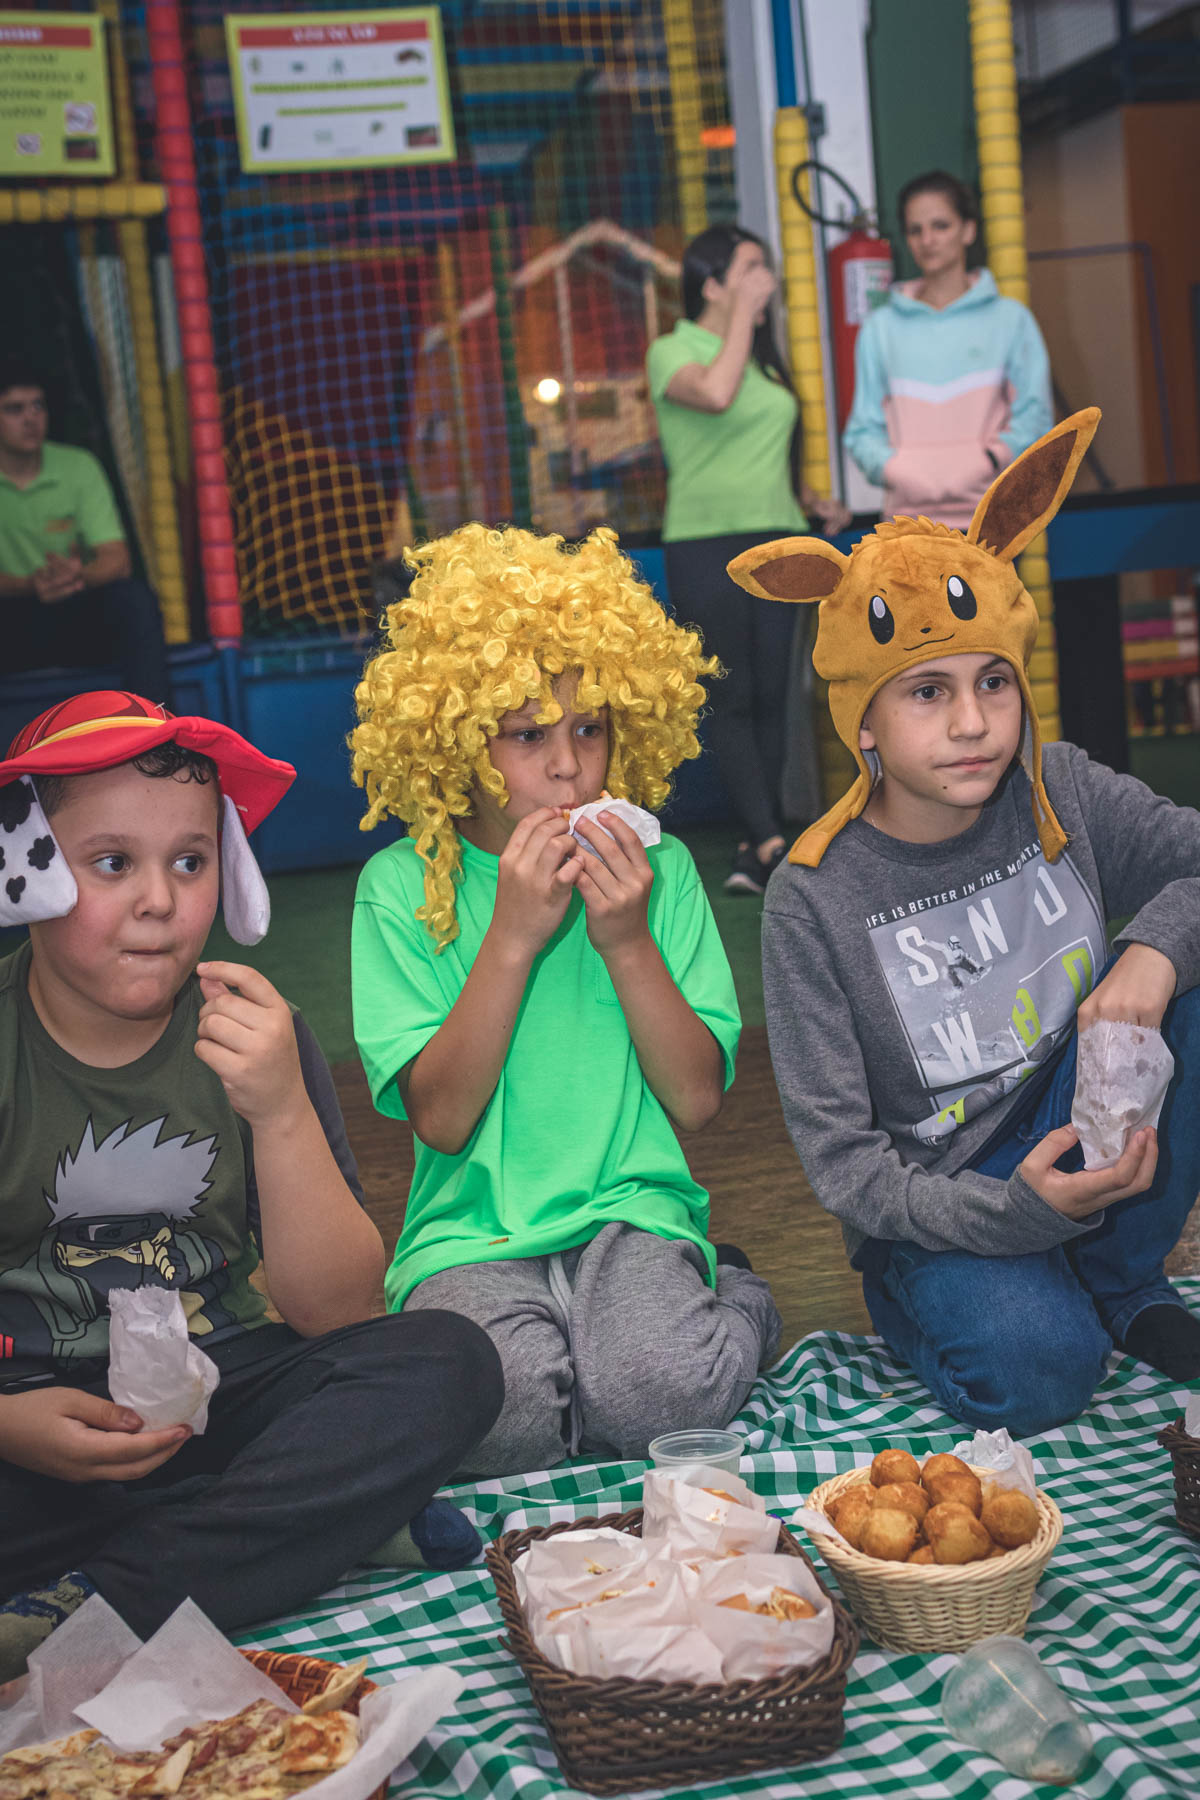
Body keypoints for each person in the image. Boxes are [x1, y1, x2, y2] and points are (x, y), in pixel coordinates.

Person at [0, 690, 503, 1680]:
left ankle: (104, 1601)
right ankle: (290, 1537)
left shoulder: (254, 1031)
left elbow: (341, 1310)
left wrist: (278, 1109)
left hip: (221, 1395)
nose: (160, 899)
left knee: (448, 1361)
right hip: (32, 1433)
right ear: (27, 870)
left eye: (190, 861)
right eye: (114, 864)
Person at [730, 409, 1200, 1437]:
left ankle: (1122, 1281)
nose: (975, 722)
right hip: (943, 1202)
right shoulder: (813, 898)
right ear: (862, 722)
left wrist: (1154, 952)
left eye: (995, 682)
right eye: (928, 693)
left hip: (1086, 1121)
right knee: (1038, 1379)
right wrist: (1010, 1221)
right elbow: (846, 1168)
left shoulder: (1061, 786)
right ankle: (964, 1298)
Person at [350, 523, 781, 1478]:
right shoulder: (399, 886)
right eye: (527, 734)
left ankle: (738, 1297)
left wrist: (625, 939)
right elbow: (445, 1119)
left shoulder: (656, 873)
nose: (567, 766)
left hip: (633, 1209)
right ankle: (592, 1363)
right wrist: (509, 937)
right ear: (456, 736)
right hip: (469, 1231)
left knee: (662, 1401)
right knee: (493, 1425)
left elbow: (698, 1101)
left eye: (591, 728)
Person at [647, 226, 852, 897]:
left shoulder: (759, 357)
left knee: (775, 696)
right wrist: (741, 316)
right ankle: (770, 840)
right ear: (711, 284)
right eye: (750, 268)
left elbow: (758, 440)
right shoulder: (673, 350)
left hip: (780, 538)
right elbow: (714, 396)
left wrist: (806, 499)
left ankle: (753, 845)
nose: (765, 278)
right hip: (706, 541)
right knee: (730, 694)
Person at [843, 171, 1052, 530]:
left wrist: (988, 460)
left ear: (968, 230)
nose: (927, 240)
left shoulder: (1011, 320)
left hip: (993, 524)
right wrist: (897, 470)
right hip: (906, 528)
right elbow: (862, 431)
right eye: (915, 230)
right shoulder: (880, 328)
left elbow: (1036, 419)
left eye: (940, 226)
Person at [0, 359, 169, 701]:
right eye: (14, 409)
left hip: (74, 611)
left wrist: (78, 575)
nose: (30, 418)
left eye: (38, 406)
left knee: (135, 600)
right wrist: (30, 585)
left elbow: (116, 559)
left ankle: (156, 732)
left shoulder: (78, 465)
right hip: (13, 620)